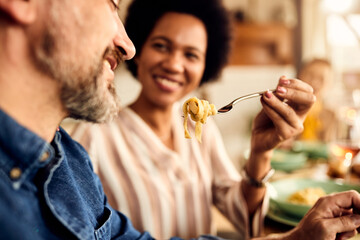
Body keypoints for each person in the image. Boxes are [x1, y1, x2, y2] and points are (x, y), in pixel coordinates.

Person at [1, 0, 360, 239]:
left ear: (206, 67)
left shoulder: (200, 127)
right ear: (138, 53)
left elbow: (241, 216)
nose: (174, 64)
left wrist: (261, 153)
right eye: (161, 46)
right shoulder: (88, 142)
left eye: (191, 54)